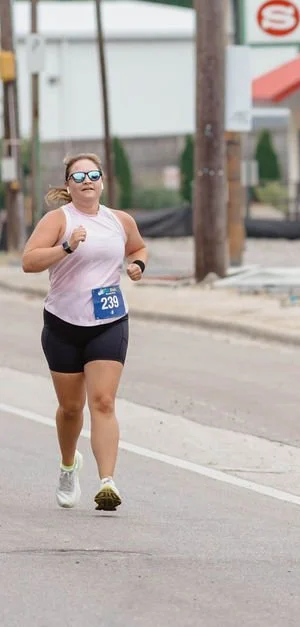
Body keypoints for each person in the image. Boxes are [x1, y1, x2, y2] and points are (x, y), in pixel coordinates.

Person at [21, 153, 148, 512]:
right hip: (63, 322)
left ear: (102, 182)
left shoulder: (119, 220)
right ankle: (68, 465)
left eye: (93, 175)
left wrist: (137, 264)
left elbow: (138, 247)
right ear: (68, 185)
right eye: (78, 177)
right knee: (71, 407)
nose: (87, 181)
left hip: (109, 320)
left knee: (103, 402)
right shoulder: (58, 220)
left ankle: (107, 482)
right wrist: (66, 247)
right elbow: (29, 262)